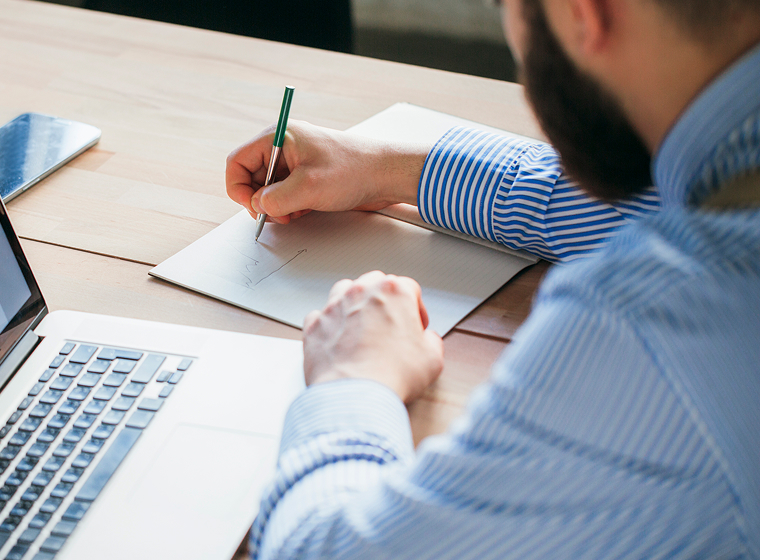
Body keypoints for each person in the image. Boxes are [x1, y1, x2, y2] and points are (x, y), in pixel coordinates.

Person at [224, 0, 760, 557]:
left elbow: (320, 549)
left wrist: (352, 379)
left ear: (581, 13)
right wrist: (390, 168)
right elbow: (654, 201)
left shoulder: (649, 325)